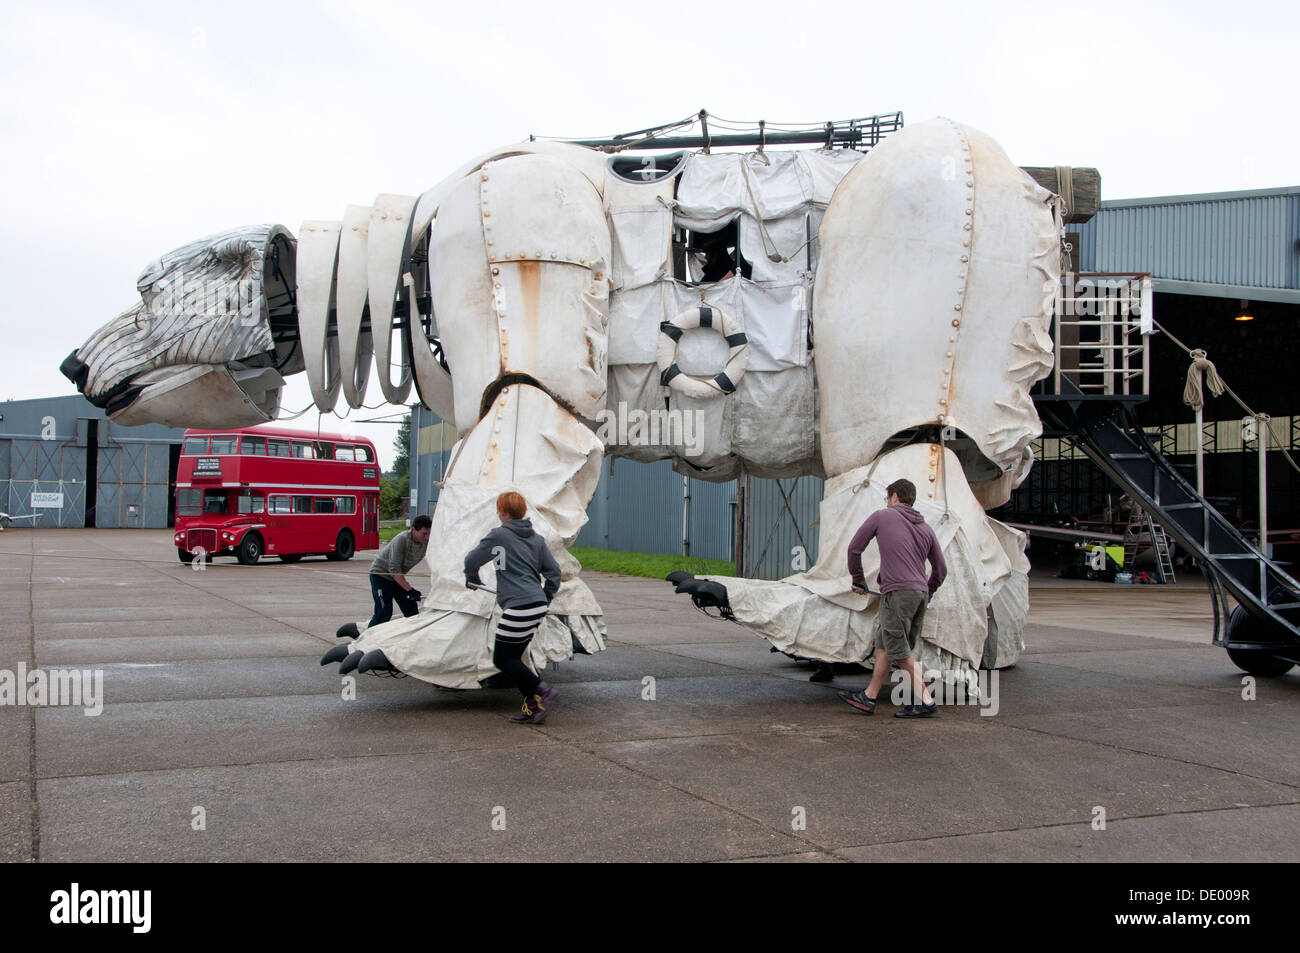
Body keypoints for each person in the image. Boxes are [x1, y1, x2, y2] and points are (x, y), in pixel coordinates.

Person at [840, 478, 947, 719]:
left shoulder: (882, 516)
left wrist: (858, 579)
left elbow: (854, 548)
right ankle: (869, 697)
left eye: (887, 497)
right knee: (885, 646)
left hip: (897, 593)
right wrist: (925, 591)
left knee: (899, 651)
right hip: (919, 594)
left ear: (895, 496)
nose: (887, 502)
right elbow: (941, 570)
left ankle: (926, 701)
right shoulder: (926, 527)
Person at [465, 491, 562, 724]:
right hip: (535, 604)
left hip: (518, 605)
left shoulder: (499, 535)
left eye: (499, 511)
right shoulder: (537, 539)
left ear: (505, 513)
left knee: (502, 659)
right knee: (513, 658)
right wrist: (544, 597)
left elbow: (471, 560)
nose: (498, 515)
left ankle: (543, 691)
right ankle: (533, 706)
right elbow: (554, 573)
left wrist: (472, 578)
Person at [367, 514, 431, 627]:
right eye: (424, 534)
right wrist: (410, 590)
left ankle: (410, 638)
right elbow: (394, 570)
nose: (426, 538)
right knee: (384, 612)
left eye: (429, 533)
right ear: (413, 529)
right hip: (381, 576)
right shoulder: (402, 539)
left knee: (411, 610)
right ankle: (366, 641)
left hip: (396, 578)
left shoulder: (427, 543)